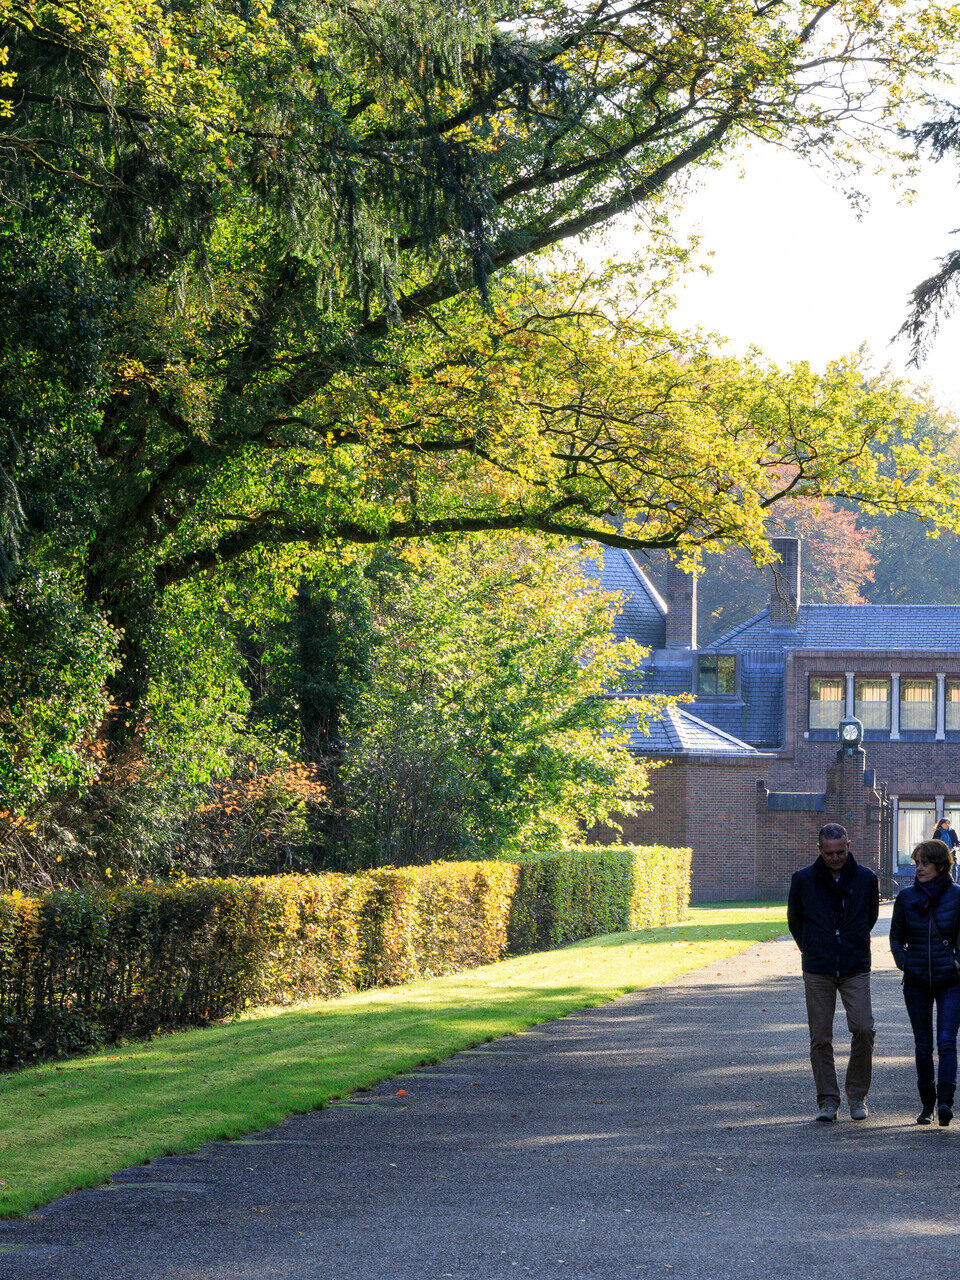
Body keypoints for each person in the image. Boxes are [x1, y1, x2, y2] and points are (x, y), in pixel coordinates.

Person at [787, 823, 880, 1122]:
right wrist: (813, 948)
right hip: (818, 968)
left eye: (840, 851)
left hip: (855, 966)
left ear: (849, 846)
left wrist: (851, 941)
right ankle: (828, 1100)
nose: (836, 857)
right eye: (829, 853)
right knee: (820, 1037)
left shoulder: (866, 879)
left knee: (864, 1028)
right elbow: (795, 920)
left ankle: (857, 1096)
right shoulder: (803, 879)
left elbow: (870, 916)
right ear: (819, 851)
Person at [889, 838, 960, 1126]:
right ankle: (926, 1105)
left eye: (925, 863)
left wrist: (958, 960)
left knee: (946, 1041)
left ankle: (945, 1102)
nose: (919, 868)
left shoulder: (957, 895)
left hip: (951, 980)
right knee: (922, 1044)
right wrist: (903, 962)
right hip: (916, 979)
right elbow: (895, 936)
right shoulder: (906, 898)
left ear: (940, 865)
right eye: (916, 863)